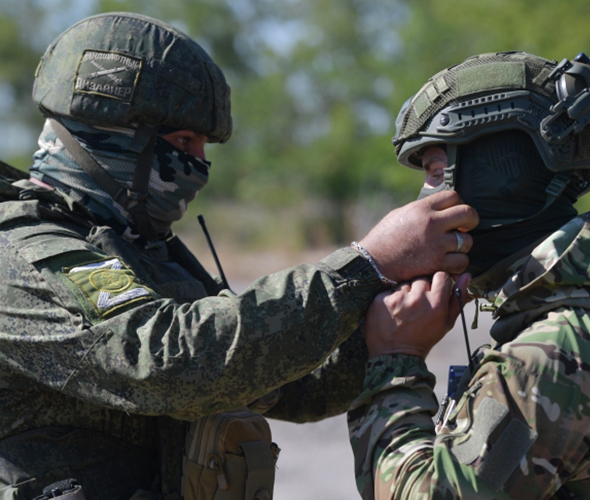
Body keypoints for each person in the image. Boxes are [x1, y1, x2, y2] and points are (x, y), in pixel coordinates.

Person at [0, 12, 480, 500]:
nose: (200, 165)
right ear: (113, 136)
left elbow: (286, 383)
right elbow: (169, 364)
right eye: (184, 142)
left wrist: (390, 319)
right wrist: (365, 265)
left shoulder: (140, 251)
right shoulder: (20, 249)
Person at [348, 51, 590, 499]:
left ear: (504, 174)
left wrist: (395, 359)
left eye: (437, 172)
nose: (422, 202)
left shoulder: (556, 351)